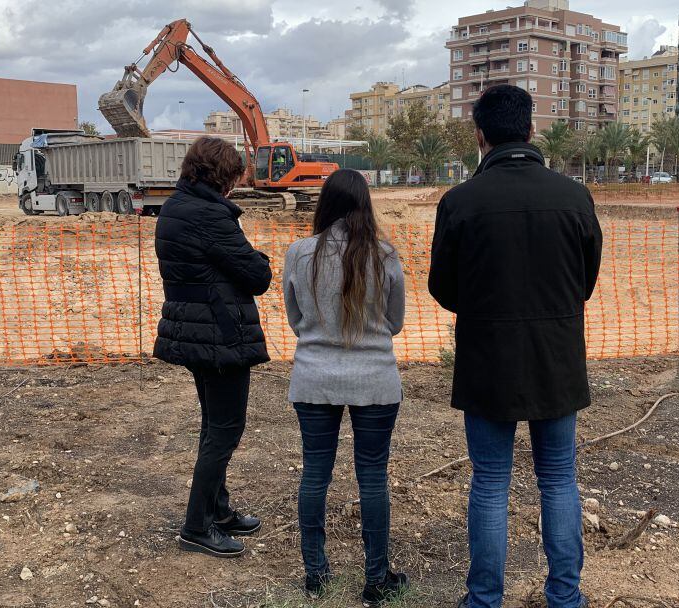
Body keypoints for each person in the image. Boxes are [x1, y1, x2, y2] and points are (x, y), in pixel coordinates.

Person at [428, 85, 603, 608]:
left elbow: (443, 286)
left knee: (490, 483)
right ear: (531, 130)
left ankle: (484, 599)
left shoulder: (459, 202)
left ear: (479, 135)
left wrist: (484, 310)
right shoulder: (574, 196)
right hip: (557, 360)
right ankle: (565, 597)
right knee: (558, 478)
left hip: (487, 361)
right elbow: (585, 277)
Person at [283, 169, 409, 607]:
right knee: (372, 477)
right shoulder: (385, 255)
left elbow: (296, 318)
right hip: (375, 381)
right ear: (365, 203)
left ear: (325, 204)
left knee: (315, 474)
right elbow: (395, 322)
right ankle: (377, 579)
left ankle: (315, 574)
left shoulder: (299, 253)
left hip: (314, 378)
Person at [154, 137, 272, 558]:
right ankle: (196, 526)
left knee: (213, 426)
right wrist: (256, 253)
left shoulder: (174, 207)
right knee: (225, 431)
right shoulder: (210, 215)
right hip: (219, 335)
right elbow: (256, 275)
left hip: (193, 332)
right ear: (224, 177)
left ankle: (218, 510)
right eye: (236, 175)